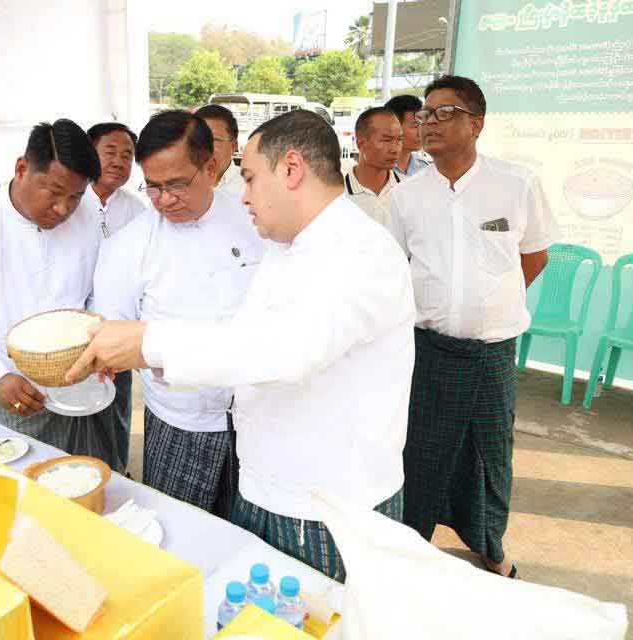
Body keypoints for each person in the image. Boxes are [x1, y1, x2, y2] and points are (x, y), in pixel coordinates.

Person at [68, 110, 415, 582]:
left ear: (291, 169)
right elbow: (247, 339)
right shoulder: (286, 246)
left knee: (319, 620)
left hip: (323, 502)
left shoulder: (359, 253)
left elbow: (287, 350)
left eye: (249, 178)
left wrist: (151, 342)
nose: (244, 195)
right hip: (268, 481)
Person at [388, 76, 558, 579]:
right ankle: (411, 543)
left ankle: (489, 543)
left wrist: (491, 307)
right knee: (420, 451)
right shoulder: (407, 197)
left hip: (491, 354)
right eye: (424, 115)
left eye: (444, 113)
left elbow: (535, 256)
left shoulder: (516, 184)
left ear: (476, 123)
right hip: (429, 351)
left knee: (489, 455)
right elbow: (398, 269)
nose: (429, 124)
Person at [0, 119, 126, 472]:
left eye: (75, 196)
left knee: (93, 477)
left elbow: (96, 292)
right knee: (34, 486)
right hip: (18, 391)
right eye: (54, 192)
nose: (63, 209)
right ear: (21, 168)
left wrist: (101, 343)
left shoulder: (88, 216)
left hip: (83, 383)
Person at [92, 110, 268, 518]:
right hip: (179, 420)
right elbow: (116, 335)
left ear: (210, 166)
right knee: (176, 527)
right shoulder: (129, 244)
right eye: (152, 187)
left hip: (258, 415)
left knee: (250, 532)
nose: (165, 200)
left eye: (176, 184)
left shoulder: (254, 220)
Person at [80, 122, 148, 471]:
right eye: (110, 152)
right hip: (76, 328)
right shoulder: (72, 202)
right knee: (78, 405)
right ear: (90, 152)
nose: (120, 162)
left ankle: (118, 467)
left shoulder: (138, 211)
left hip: (119, 326)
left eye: (128, 155)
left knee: (117, 402)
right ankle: (86, 470)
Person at [343, 107, 404, 227]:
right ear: (361, 143)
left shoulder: (408, 190)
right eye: (386, 140)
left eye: (400, 139)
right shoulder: (337, 195)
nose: (395, 149)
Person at [194, 104, 245, 195]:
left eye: (214, 140)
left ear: (234, 146)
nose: (204, 147)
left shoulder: (249, 185)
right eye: (198, 139)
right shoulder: (178, 184)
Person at [384, 94, 430, 178]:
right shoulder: (379, 169)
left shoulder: (423, 167)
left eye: (423, 124)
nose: (422, 131)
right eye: (415, 126)